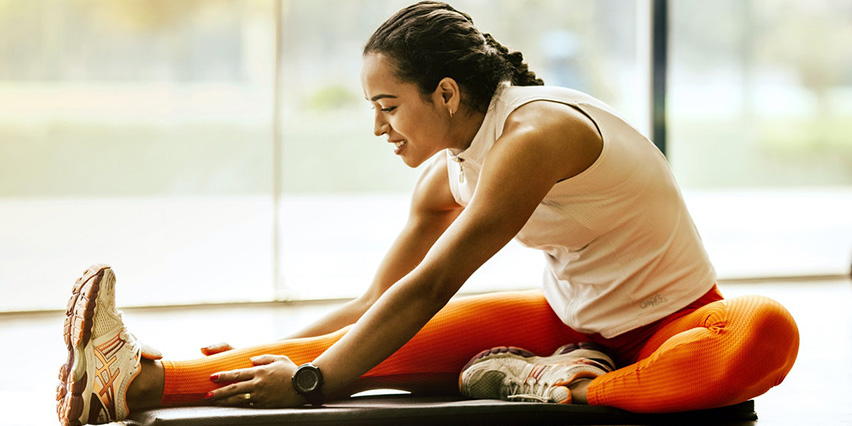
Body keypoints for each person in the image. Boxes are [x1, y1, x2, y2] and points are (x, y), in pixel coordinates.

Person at [56, 2, 800, 425]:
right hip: (569, 325)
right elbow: (374, 306)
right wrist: (256, 354)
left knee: (767, 331)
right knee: (361, 340)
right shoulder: (446, 174)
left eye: (389, 106)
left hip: (678, 325)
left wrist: (317, 383)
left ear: (446, 93)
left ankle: (565, 385)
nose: (380, 127)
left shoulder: (537, 136)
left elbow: (435, 282)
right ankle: (127, 381)